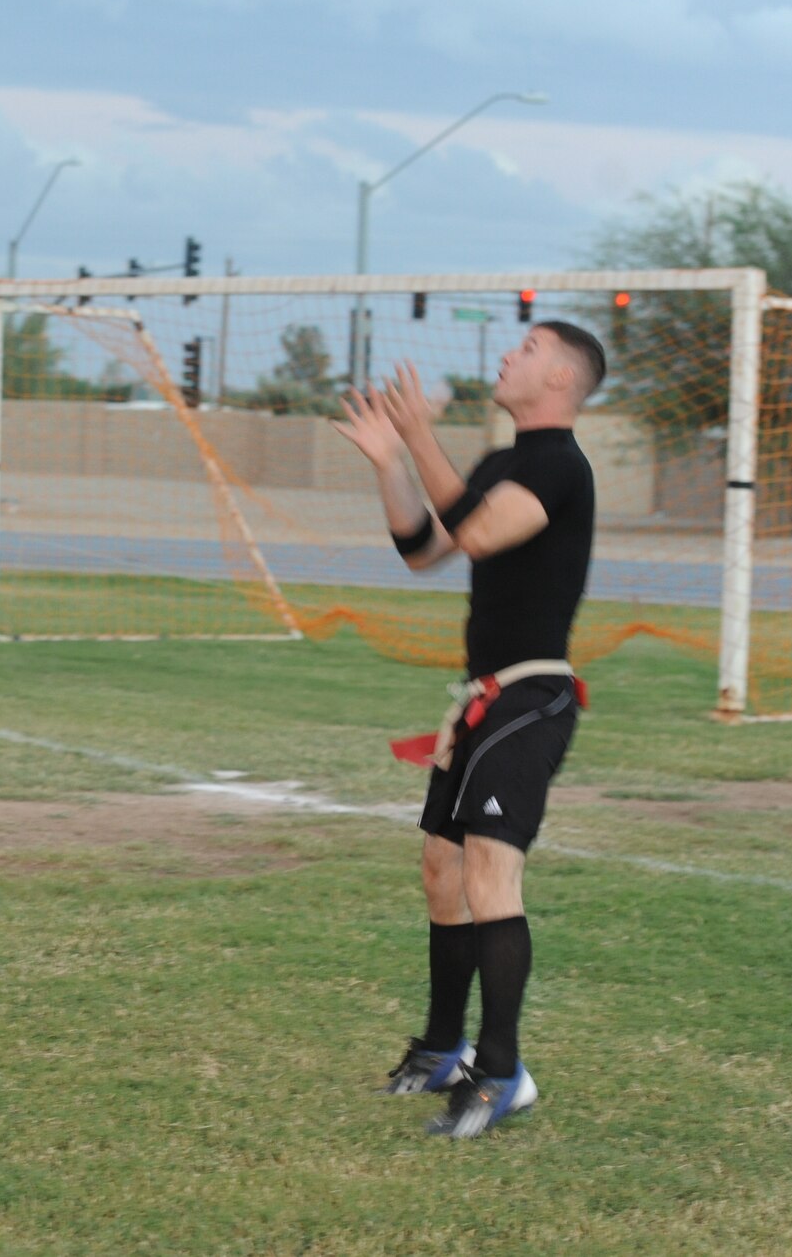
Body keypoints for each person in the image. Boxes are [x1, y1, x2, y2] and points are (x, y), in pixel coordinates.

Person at [332, 320, 603, 1138]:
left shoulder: (560, 465)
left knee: (489, 874)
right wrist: (391, 461)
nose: (507, 356)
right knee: (441, 870)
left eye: (525, 349)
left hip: (532, 699)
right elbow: (426, 546)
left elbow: (483, 532)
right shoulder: (497, 462)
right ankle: (442, 1049)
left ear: (558, 376)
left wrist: (421, 434)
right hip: (483, 699)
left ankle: (502, 1070)